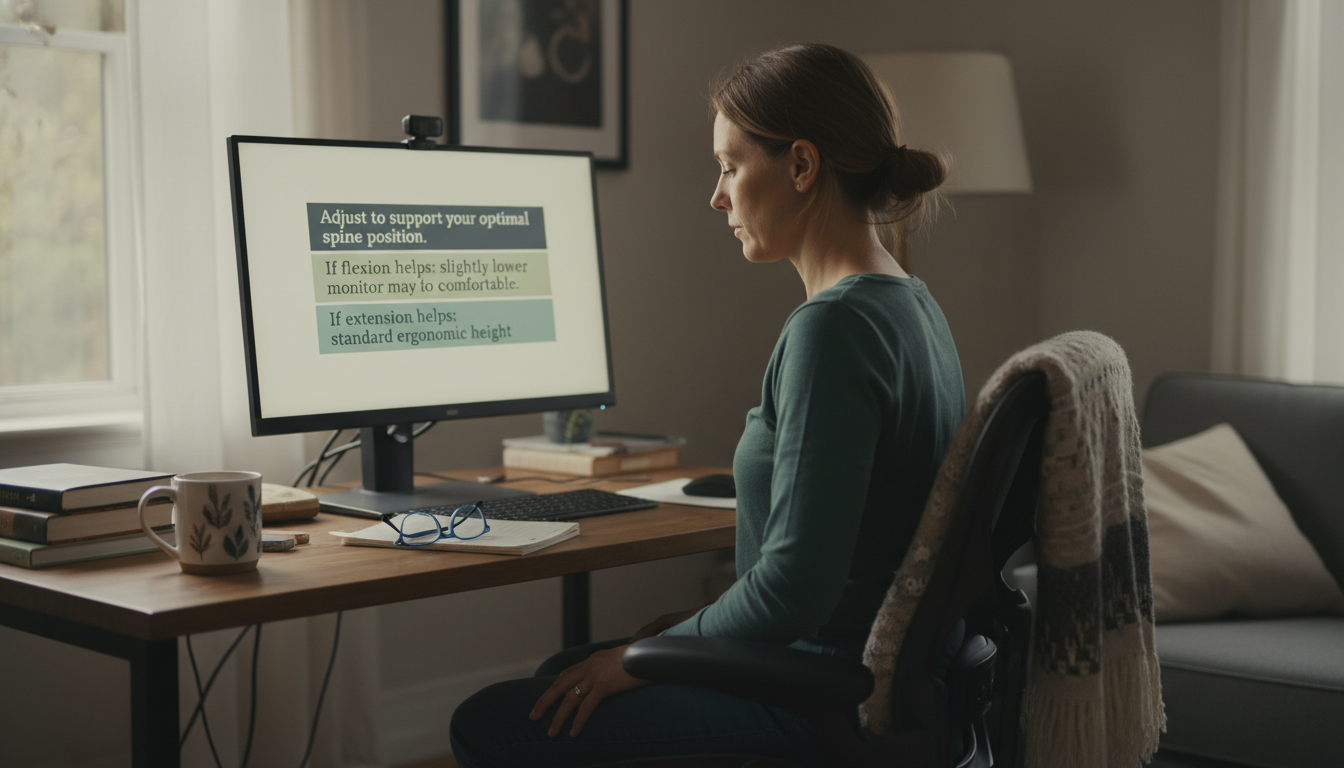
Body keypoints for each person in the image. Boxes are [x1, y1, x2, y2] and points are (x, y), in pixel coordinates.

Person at [450, 42, 964, 768]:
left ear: (802, 166)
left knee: (494, 720)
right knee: (560, 676)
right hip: (850, 674)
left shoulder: (834, 328)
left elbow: (796, 588)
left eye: (729, 165)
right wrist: (675, 637)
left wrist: (644, 655)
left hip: (813, 695)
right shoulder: (912, 305)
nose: (716, 195)